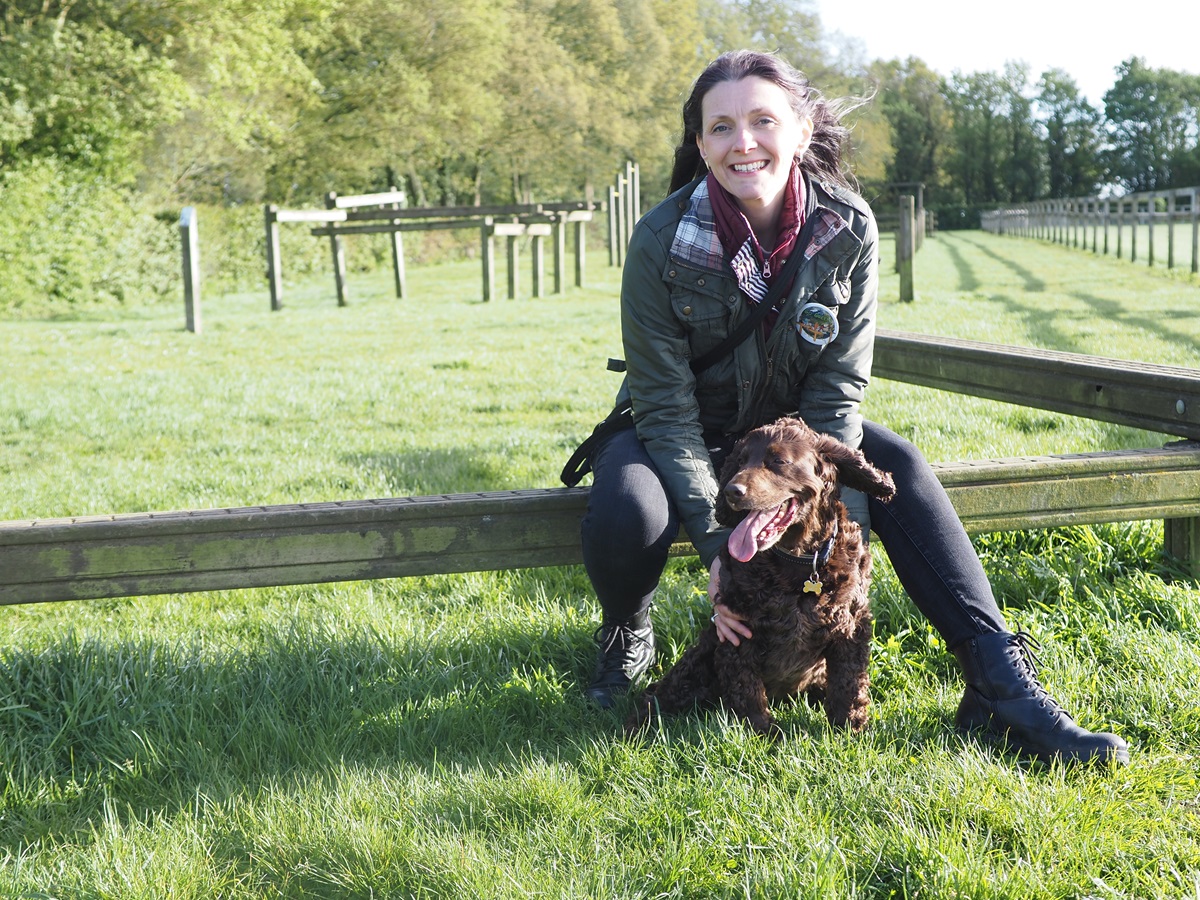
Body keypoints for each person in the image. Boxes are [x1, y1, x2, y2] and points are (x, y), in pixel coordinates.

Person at [578, 49, 1128, 765]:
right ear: (701, 142)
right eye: (720, 127)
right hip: (685, 427)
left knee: (897, 466)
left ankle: (999, 682)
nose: (742, 142)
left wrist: (843, 549)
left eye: (762, 120)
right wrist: (726, 554)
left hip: (792, 440)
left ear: (802, 130)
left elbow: (836, 393)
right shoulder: (659, 239)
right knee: (629, 506)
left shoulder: (848, 227)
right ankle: (627, 631)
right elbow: (663, 405)